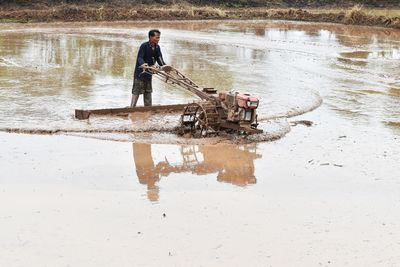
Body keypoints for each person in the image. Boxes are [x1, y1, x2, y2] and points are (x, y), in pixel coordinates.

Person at [130, 29, 166, 107]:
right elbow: (140, 57)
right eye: (156, 37)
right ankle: (132, 108)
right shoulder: (144, 46)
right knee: (136, 91)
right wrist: (143, 64)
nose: (158, 39)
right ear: (150, 37)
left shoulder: (157, 47)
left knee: (148, 92)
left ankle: (148, 108)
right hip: (140, 73)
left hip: (149, 73)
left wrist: (165, 67)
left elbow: (160, 59)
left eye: (159, 38)